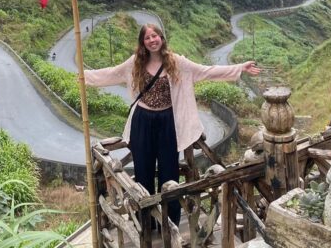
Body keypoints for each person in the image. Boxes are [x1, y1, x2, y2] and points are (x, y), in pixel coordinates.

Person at [84, 23, 260, 227]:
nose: (152, 40)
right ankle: (147, 225)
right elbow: (111, 74)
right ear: (142, 42)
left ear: (162, 38)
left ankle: (170, 223)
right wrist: (84, 76)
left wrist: (239, 68)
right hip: (142, 122)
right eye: (147, 37)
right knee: (143, 174)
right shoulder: (136, 63)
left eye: (155, 36)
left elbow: (207, 71)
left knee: (170, 175)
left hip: (168, 123)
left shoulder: (176, 62)